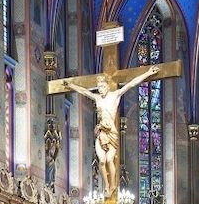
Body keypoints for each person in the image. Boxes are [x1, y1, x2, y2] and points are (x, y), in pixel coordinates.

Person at [65, 65, 160, 196]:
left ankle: (113, 184)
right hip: (101, 133)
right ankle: (106, 185)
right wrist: (71, 85)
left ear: (108, 86)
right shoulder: (97, 98)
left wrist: (148, 73)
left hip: (112, 133)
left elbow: (131, 84)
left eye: (102, 87)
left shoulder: (115, 95)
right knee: (101, 161)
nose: (100, 89)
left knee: (110, 160)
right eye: (99, 87)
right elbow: (84, 92)